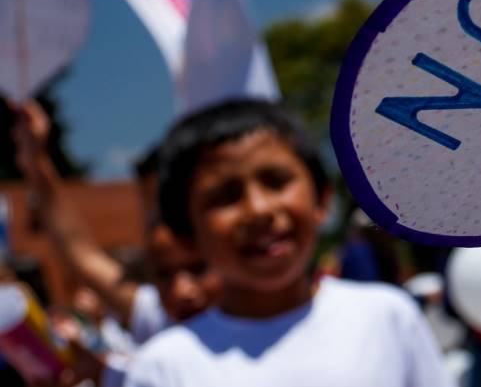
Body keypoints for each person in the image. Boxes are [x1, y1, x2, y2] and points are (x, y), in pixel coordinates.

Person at [123, 99, 450, 387]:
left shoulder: (386, 317)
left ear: (322, 199)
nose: (258, 210)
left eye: (276, 182)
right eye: (226, 196)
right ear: (186, 231)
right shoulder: (163, 368)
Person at [9, 100, 223, 386]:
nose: (182, 290)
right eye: (164, 275)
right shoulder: (157, 318)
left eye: (198, 269)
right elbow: (80, 253)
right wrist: (36, 161)